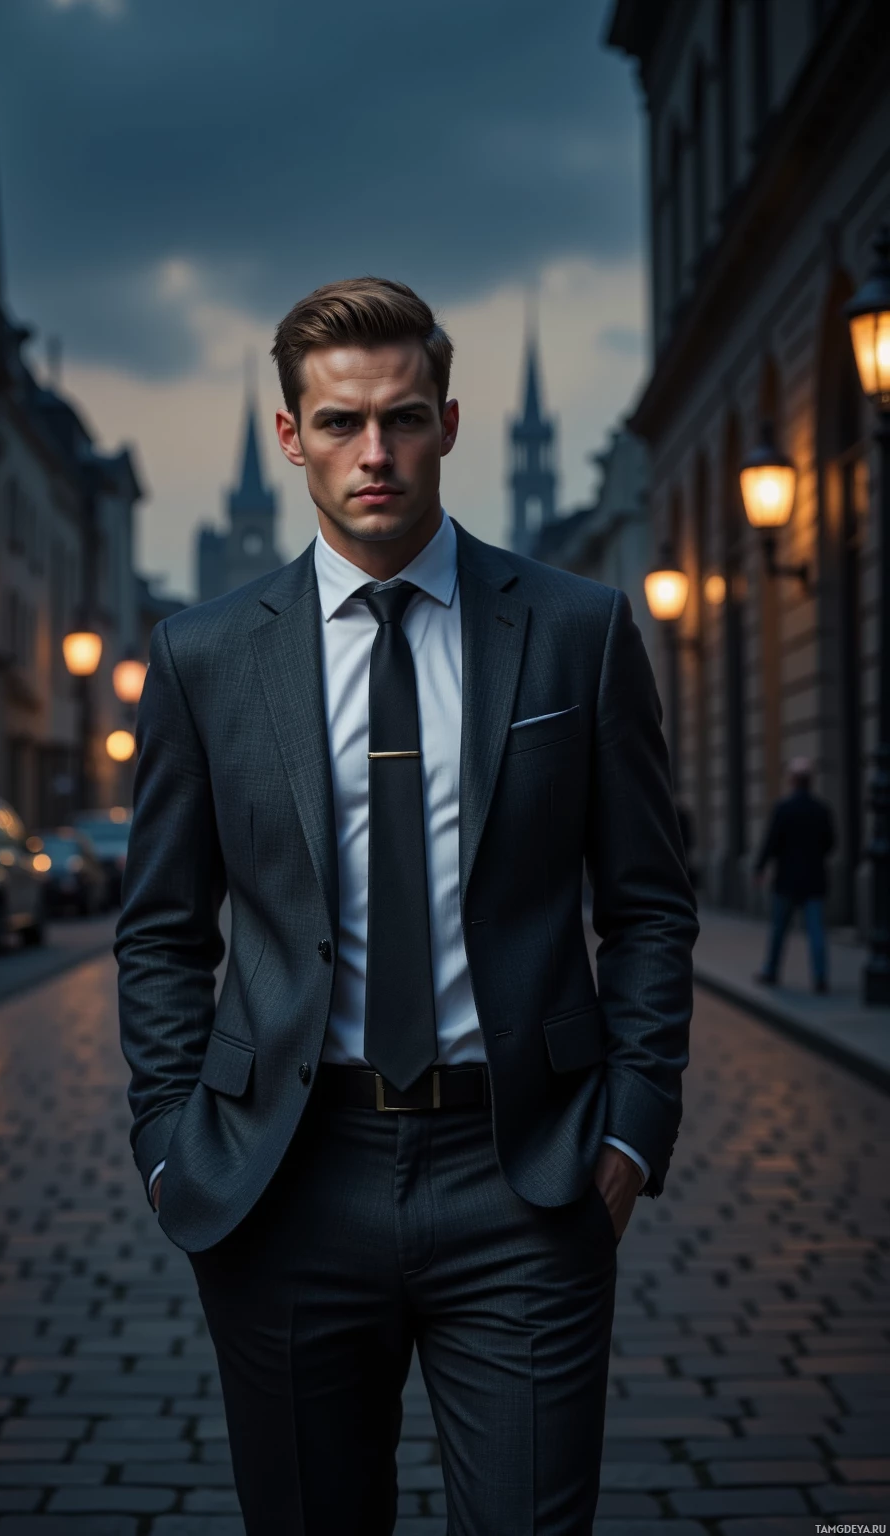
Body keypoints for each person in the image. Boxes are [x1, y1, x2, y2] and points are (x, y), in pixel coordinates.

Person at [116, 277, 698, 1536]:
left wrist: (634, 1125)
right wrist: (170, 1144)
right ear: (290, 436)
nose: (372, 453)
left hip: (526, 1178)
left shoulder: (576, 632)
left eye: (402, 418)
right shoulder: (204, 657)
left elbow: (648, 902)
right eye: (338, 423)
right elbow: (162, 926)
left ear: (448, 421)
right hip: (282, 1178)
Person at [753, 757, 836, 994]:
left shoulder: (783, 808)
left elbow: (771, 842)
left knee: (779, 930)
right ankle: (820, 978)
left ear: (792, 781)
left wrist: (760, 868)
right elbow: (831, 843)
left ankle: (771, 971)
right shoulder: (822, 809)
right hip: (814, 879)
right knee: (816, 931)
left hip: (787, 879)